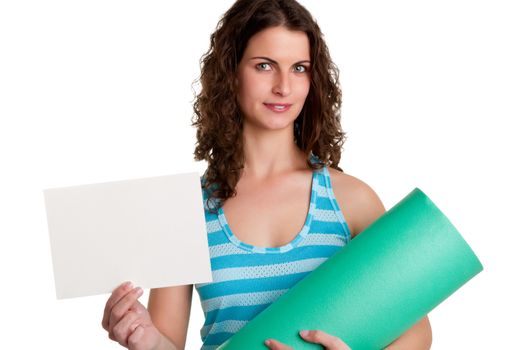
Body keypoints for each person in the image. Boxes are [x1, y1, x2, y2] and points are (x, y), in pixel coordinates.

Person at [101, 0, 433, 349]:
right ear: (231, 72)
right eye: (264, 66)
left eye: (299, 68)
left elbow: (416, 330)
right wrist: (143, 336)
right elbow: (165, 345)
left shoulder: (350, 200)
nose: (284, 87)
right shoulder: (187, 212)